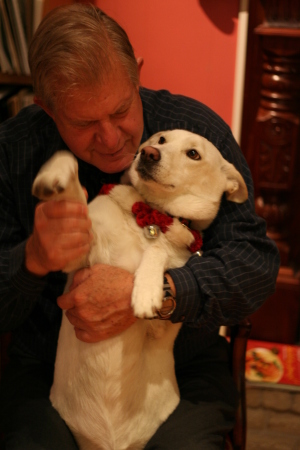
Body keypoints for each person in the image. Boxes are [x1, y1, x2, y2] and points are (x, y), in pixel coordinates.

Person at [0, 4, 280, 450]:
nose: (112, 139)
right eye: (84, 123)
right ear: (47, 111)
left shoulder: (196, 134)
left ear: (138, 77)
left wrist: (164, 292)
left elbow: (254, 262)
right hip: (49, 373)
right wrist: (31, 260)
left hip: (180, 372)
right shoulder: (14, 152)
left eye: (121, 109)